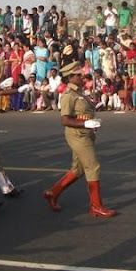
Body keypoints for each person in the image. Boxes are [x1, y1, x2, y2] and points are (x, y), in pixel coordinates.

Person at [43, 62, 115, 217]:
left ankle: (53, 192)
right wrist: (85, 123)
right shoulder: (68, 95)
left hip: (86, 133)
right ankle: (96, 205)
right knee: (93, 167)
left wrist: (92, 121)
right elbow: (65, 120)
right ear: (70, 78)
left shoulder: (80, 93)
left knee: (78, 169)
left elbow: (85, 112)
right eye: (78, 75)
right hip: (77, 135)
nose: (82, 77)